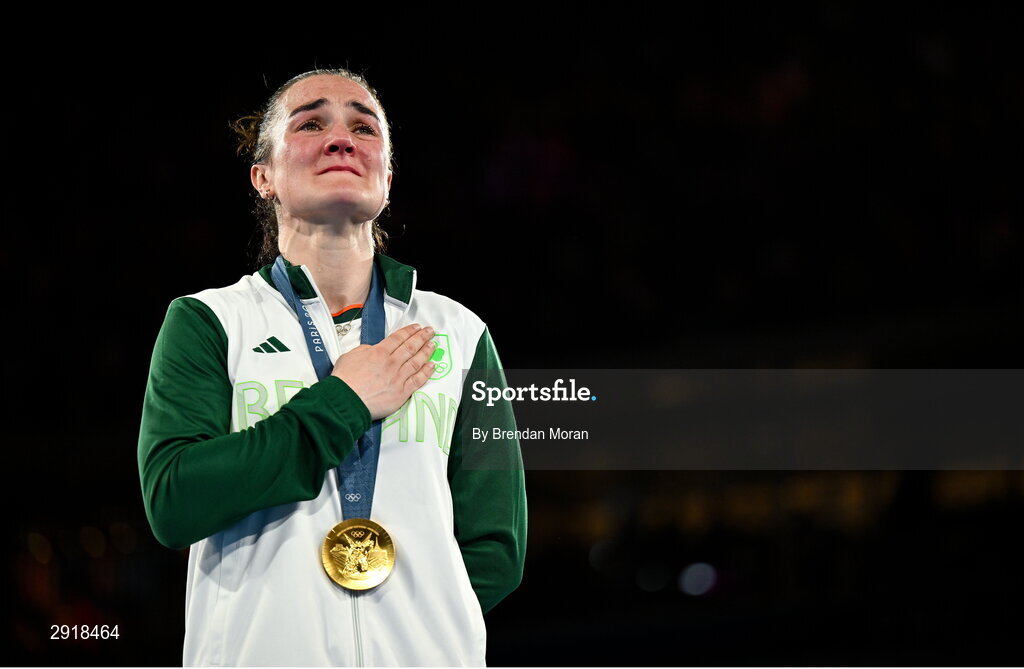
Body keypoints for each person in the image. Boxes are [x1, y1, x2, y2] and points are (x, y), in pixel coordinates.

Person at [137, 68, 527, 667]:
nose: (341, 139)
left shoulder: (459, 333)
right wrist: (342, 401)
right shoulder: (209, 321)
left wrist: (406, 632)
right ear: (263, 176)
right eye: (312, 123)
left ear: (387, 177)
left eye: (364, 127)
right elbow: (174, 499)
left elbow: (495, 547)